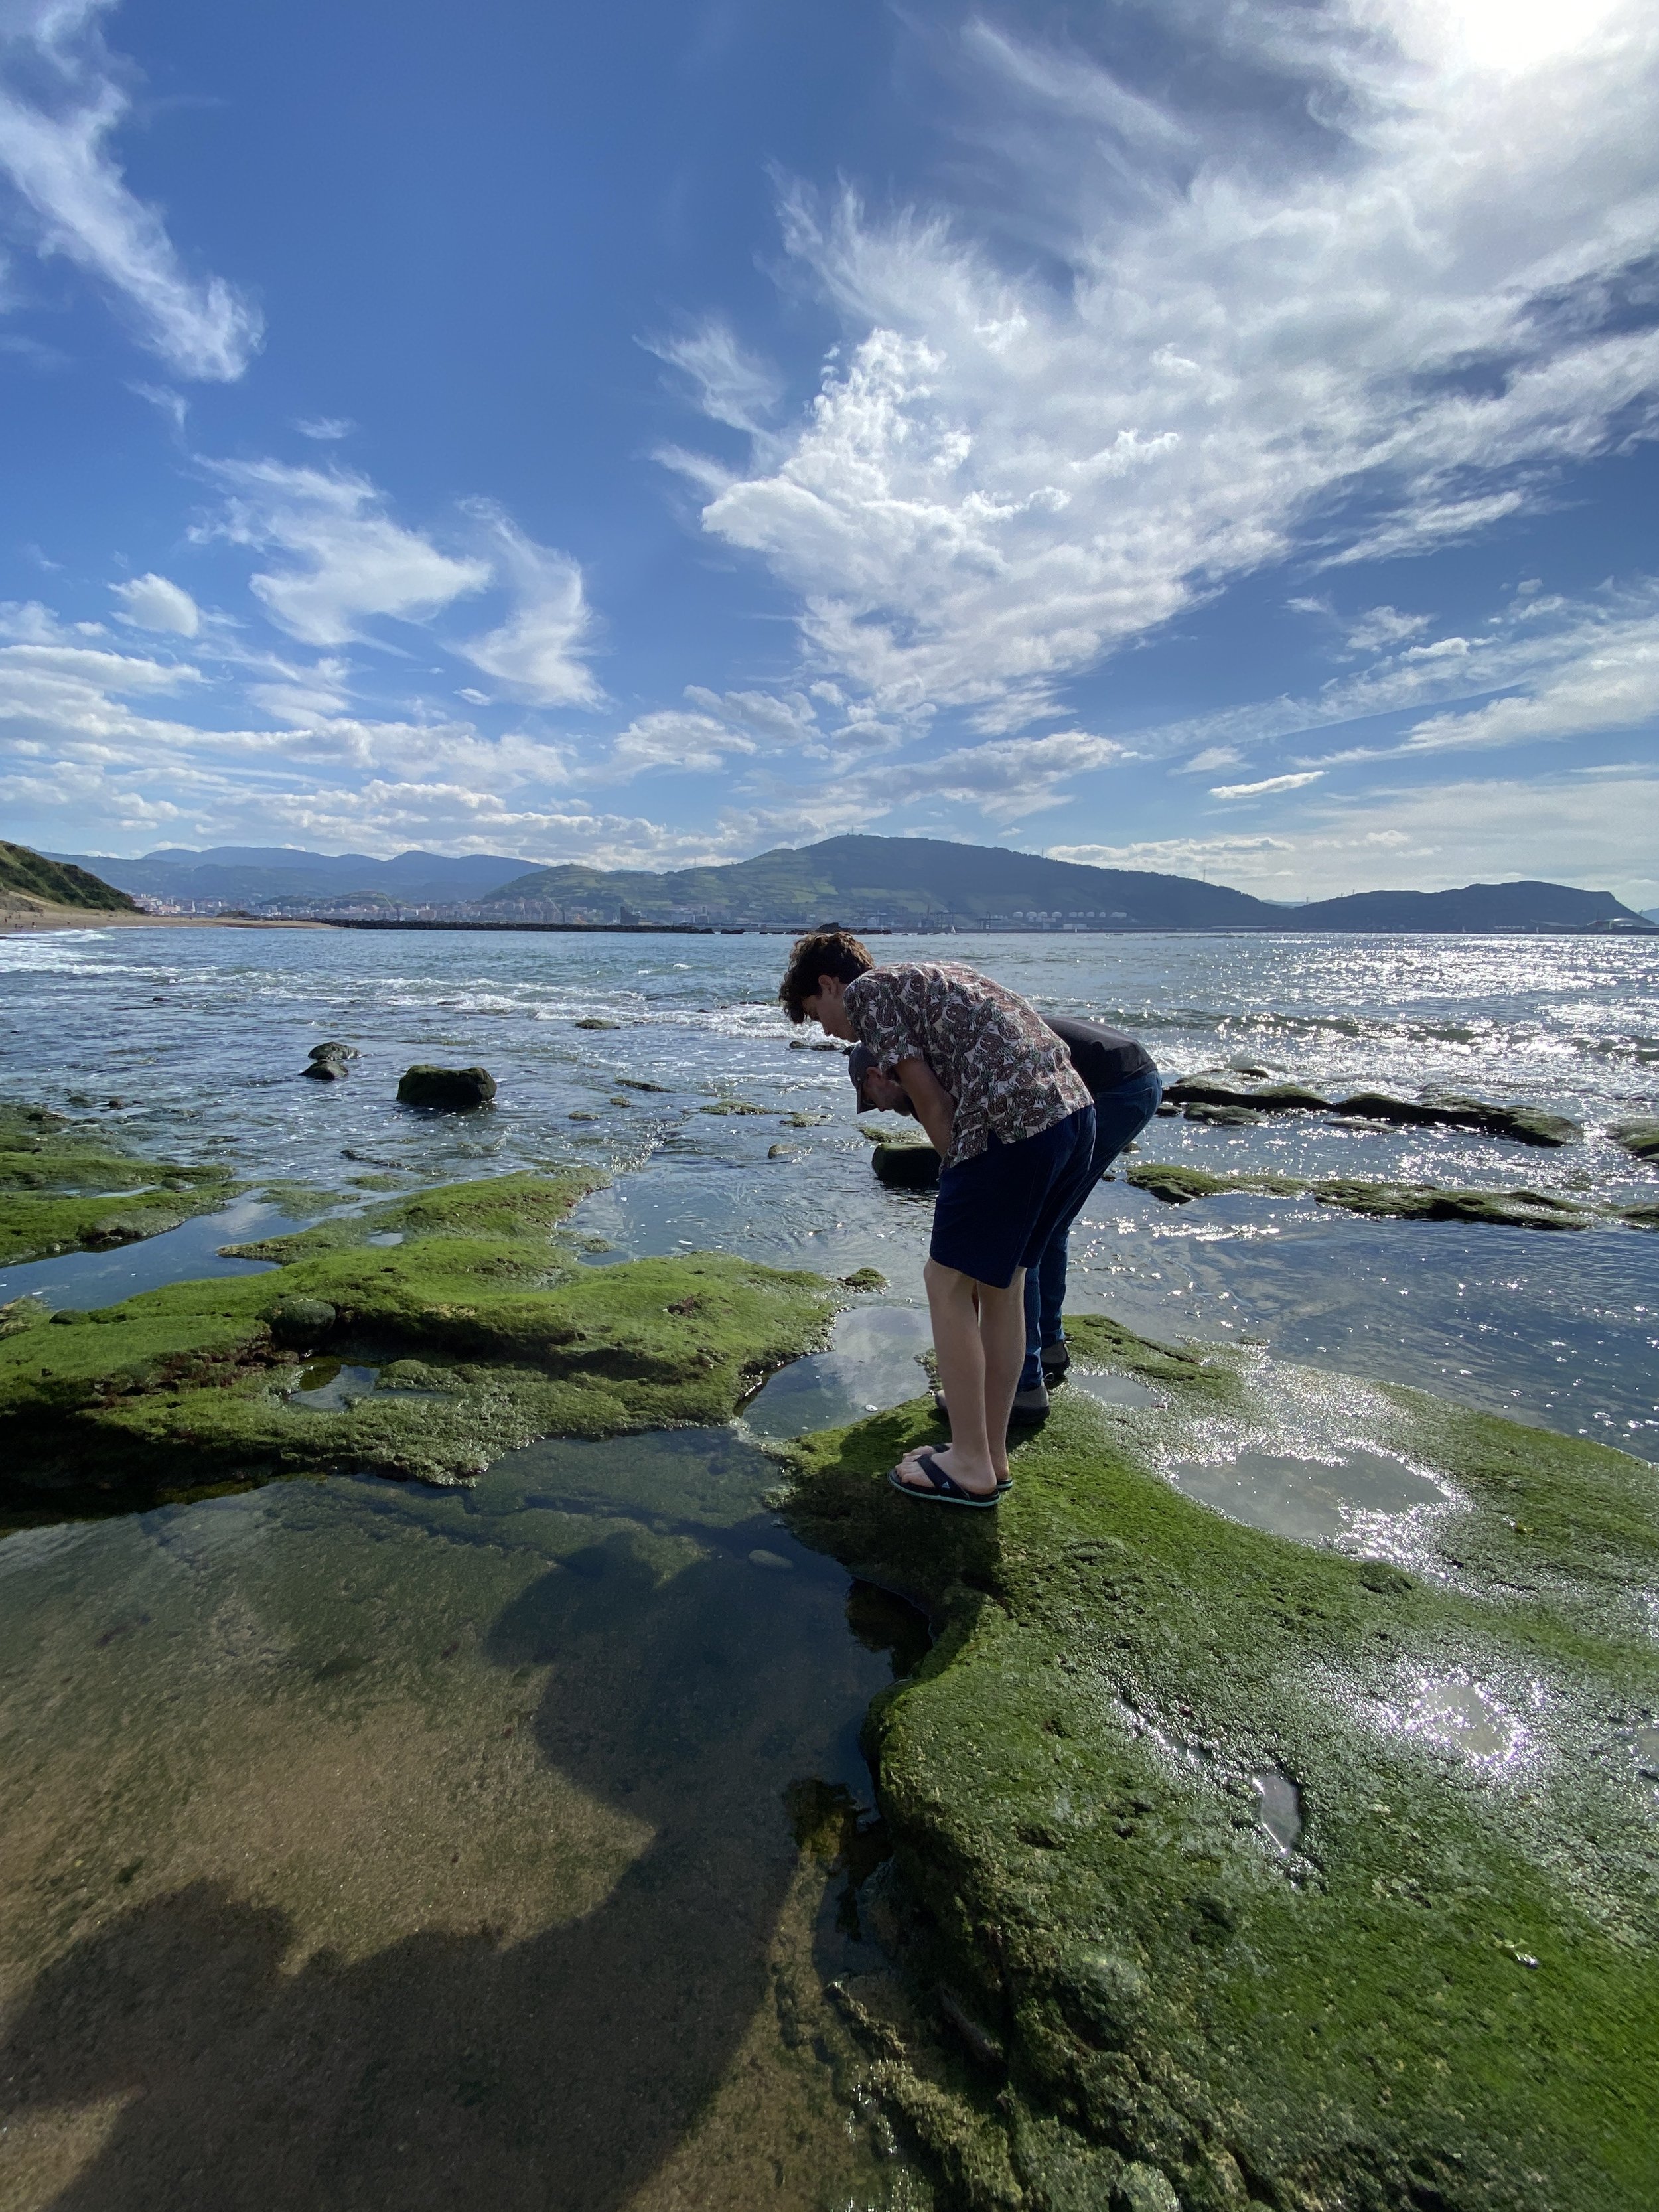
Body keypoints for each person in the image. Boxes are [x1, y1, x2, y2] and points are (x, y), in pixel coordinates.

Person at [779, 926, 1096, 1509]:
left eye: (814, 1010)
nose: (826, 1027)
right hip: (1073, 1116)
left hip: (1010, 1123)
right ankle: (990, 1456)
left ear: (829, 984)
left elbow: (931, 1100)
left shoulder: (868, 993)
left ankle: (970, 1462)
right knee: (1003, 1287)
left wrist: (957, 1173)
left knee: (943, 1280)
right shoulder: (929, 974)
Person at [851, 1013, 1161, 1420]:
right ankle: (1047, 1346)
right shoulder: (944, 1046)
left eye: (871, 1098)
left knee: (1020, 1241)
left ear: (877, 1074)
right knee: (1047, 1228)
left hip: (1110, 1089)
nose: (882, 1110)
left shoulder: (942, 1065)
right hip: (1129, 1079)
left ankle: (1023, 1387)